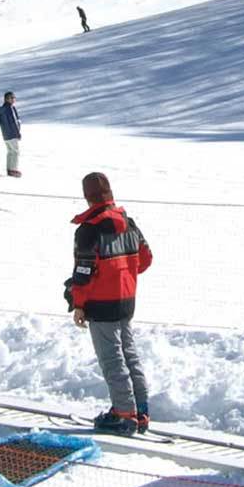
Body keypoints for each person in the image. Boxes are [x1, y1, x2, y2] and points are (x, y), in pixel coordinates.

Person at [65, 171, 154, 435]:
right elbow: (146, 259)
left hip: (101, 304)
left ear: (88, 197)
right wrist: (123, 273)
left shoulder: (88, 230)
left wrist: (78, 303)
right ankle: (141, 411)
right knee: (129, 354)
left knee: (112, 358)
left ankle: (124, 414)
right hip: (126, 300)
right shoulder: (129, 222)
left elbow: (83, 272)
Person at [0, 90, 23, 177]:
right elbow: (13, 122)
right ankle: (13, 169)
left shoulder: (1, 109)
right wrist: (17, 133)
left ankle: (9, 169)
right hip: (12, 134)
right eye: (12, 98)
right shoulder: (10, 108)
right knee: (15, 152)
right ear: (7, 99)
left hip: (5, 135)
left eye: (14, 98)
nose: (14, 99)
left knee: (10, 152)